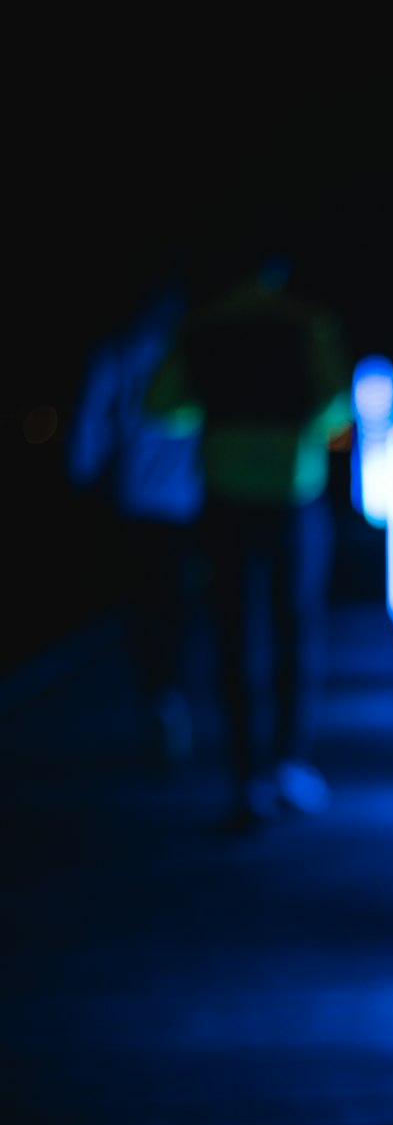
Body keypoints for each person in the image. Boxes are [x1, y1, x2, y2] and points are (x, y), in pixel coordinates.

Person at [145, 249, 353, 830]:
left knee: (235, 635)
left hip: (226, 498)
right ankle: (290, 762)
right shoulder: (308, 323)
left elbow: (163, 405)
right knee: (297, 628)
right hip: (294, 493)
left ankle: (245, 779)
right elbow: (337, 408)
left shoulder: (203, 328)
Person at [66, 271, 203, 765]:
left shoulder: (122, 353)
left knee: (149, 606)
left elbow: (90, 423)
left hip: (138, 499)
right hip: (184, 500)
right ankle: (171, 698)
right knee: (174, 605)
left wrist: (83, 475)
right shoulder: (188, 351)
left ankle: (161, 698)